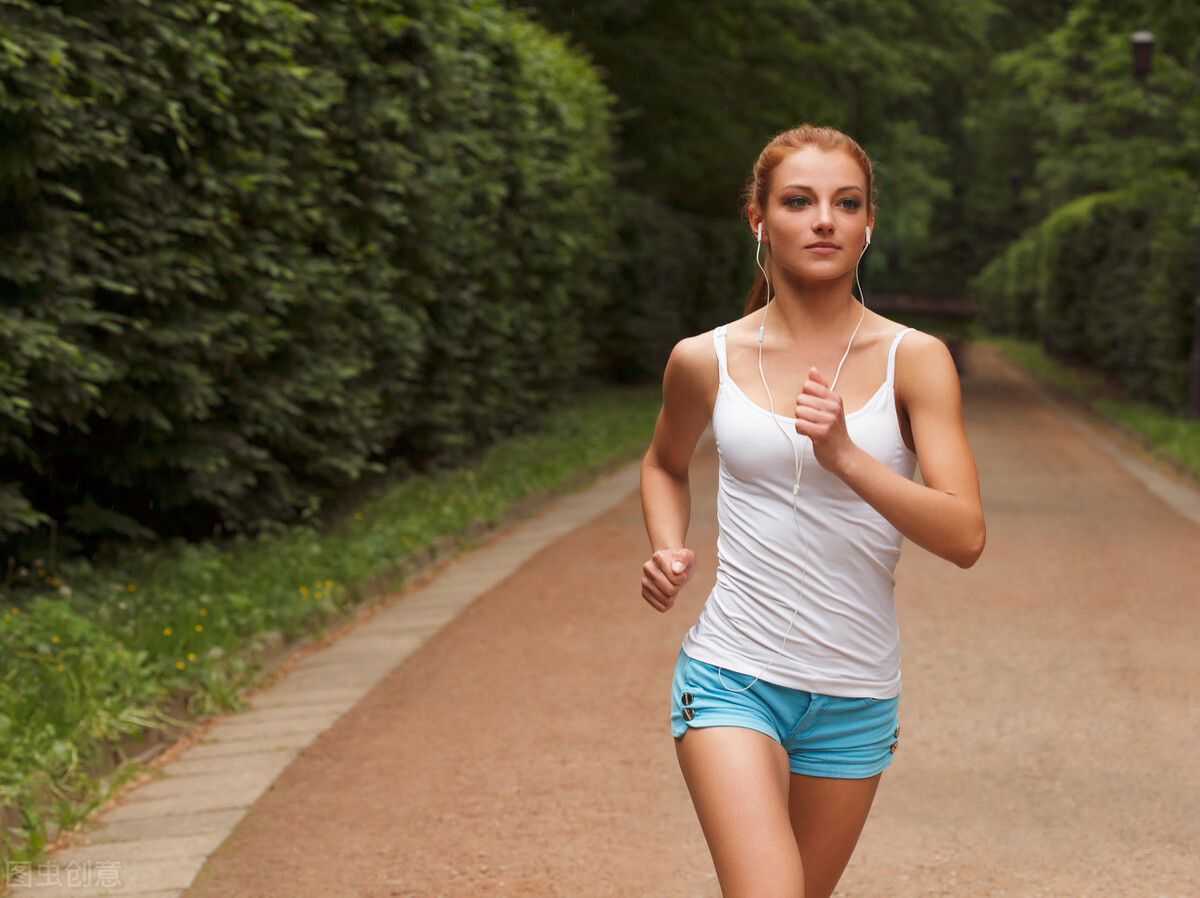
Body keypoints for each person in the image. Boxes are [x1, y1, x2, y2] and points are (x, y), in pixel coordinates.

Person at [639, 124, 985, 898]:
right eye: (799, 201)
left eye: (846, 203)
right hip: (733, 675)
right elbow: (664, 464)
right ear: (759, 220)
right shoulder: (705, 357)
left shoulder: (915, 360)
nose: (824, 219)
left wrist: (849, 458)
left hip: (856, 693)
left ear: (868, 225)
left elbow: (965, 535)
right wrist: (667, 544)